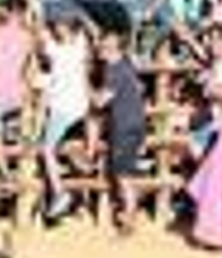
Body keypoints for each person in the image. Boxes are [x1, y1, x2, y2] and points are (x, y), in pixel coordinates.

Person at [39, 13, 94, 220]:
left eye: (60, 25)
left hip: (63, 107)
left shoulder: (56, 50)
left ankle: (59, 193)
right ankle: (79, 197)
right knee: (71, 148)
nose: (56, 29)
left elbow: (41, 35)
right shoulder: (79, 45)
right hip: (79, 106)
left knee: (47, 150)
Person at [94, 31, 145, 236]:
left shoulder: (114, 70)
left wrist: (84, 86)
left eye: (103, 46)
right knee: (126, 172)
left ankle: (129, 218)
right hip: (134, 123)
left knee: (123, 175)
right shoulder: (126, 65)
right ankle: (129, 211)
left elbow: (101, 101)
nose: (100, 49)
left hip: (125, 125)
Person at [0, 0, 33, 183]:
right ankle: (19, 170)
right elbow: (26, 67)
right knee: (17, 136)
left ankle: (5, 174)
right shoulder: (27, 37)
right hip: (15, 95)